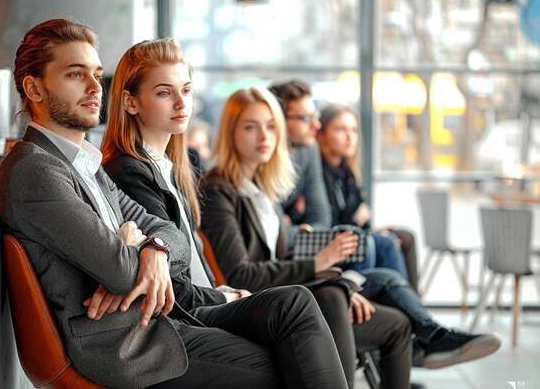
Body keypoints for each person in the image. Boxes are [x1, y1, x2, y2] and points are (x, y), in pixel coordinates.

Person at [0, 19, 349, 389]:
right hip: (126, 348)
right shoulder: (35, 169)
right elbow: (120, 271)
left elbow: (169, 235)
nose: (94, 88)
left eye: (97, 75)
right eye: (75, 74)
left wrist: (152, 246)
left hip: (154, 324)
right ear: (34, 88)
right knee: (292, 360)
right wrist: (131, 248)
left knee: (295, 303)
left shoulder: (84, 163)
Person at [199, 87, 502, 388]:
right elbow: (239, 274)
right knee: (344, 289)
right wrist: (321, 267)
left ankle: (429, 336)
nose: (264, 136)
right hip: (260, 303)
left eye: (270, 126)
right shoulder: (220, 190)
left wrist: (335, 278)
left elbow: (287, 250)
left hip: (290, 287)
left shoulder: (263, 188)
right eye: (251, 127)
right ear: (230, 132)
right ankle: (430, 338)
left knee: (395, 318)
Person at [268, 80, 412, 282]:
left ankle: (404, 304)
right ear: (278, 121)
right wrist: (294, 227)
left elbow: (321, 215)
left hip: (309, 239)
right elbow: (270, 229)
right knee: (368, 244)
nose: (315, 125)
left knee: (396, 239)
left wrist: (303, 230)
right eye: (305, 118)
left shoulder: (318, 158)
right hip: (288, 251)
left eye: (353, 130)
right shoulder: (268, 160)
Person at [316, 102, 419, 290]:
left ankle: (413, 301)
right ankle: (407, 307)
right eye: (340, 130)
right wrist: (359, 223)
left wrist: (371, 229)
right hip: (334, 245)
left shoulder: (348, 174)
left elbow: (359, 217)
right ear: (321, 135)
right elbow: (331, 225)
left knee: (404, 236)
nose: (350, 137)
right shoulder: (319, 174)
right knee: (383, 244)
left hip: (355, 235)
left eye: (354, 130)